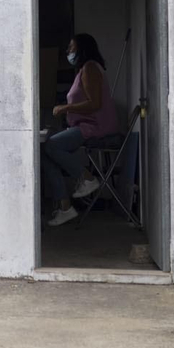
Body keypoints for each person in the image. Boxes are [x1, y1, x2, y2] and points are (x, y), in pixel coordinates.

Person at [42, 33, 120, 227]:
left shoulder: (91, 68)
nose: (68, 52)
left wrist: (65, 108)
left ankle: (86, 177)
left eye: (71, 48)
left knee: (50, 145)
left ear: (82, 49)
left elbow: (94, 104)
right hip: (84, 125)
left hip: (96, 126)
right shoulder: (84, 70)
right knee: (44, 152)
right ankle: (65, 206)